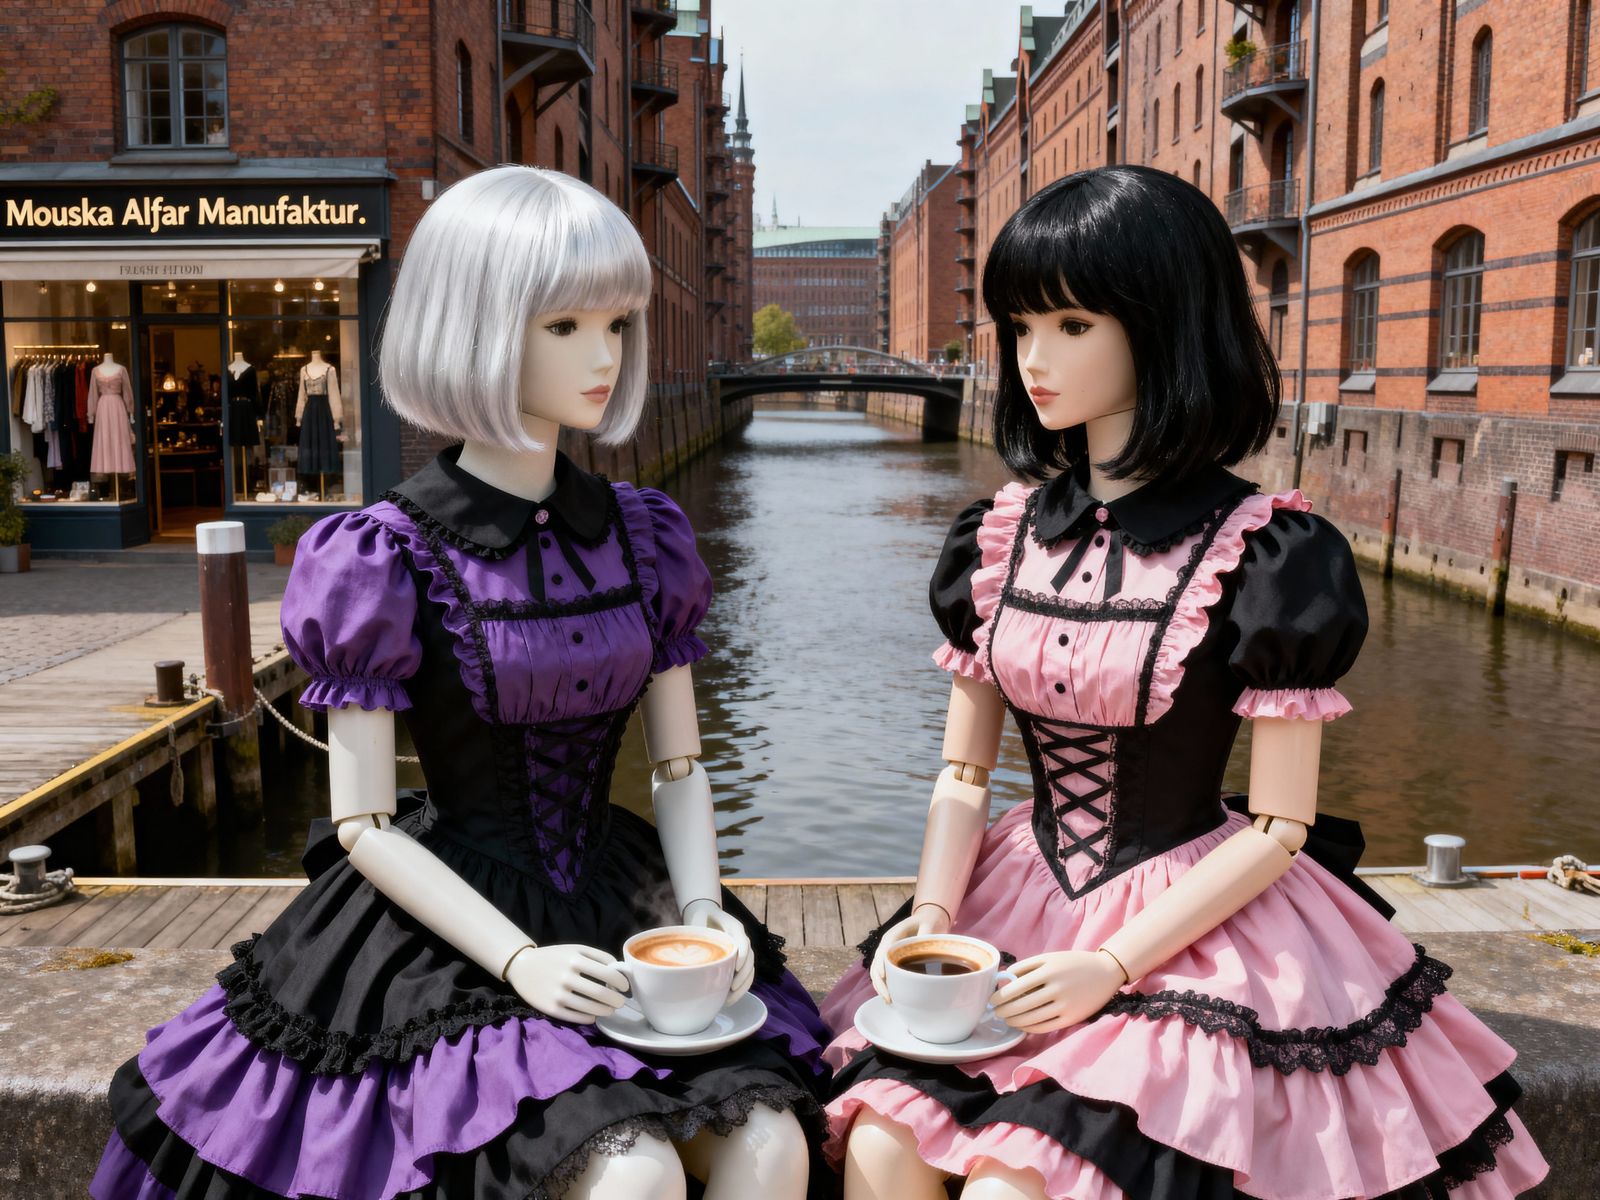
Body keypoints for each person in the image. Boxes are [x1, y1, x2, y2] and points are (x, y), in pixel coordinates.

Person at [92, 166, 831, 1200]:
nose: (603, 357)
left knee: (771, 1144)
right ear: (475, 328)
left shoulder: (643, 535)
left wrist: (702, 901)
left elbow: (678, 760)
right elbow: (363, 825)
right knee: (631, 1175)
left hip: (622, 898)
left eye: (614, 325)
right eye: (564, 325)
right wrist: (520, 961)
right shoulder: (381, 556)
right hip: (457, 923)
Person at [821, 166, 1548, 1199]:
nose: (1033, 359)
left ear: (1165, 324)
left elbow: (1280, 828)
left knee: (1013, 1185)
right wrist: (934, 907)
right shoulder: (994, 539)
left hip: (1189, 924)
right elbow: (959, 772)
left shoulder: (1269, 553)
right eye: (1019, 325)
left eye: (1071, 323)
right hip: (1012, 899)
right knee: (882, 1144)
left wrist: (1111, 967)